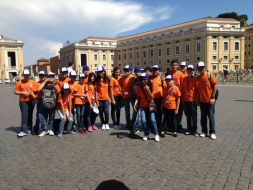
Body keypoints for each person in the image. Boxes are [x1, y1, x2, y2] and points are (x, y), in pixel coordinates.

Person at [134, 73, 159, 142]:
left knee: (153, 120)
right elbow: (137, 97)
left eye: (145, 79)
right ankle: (146, 134)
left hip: (150, 105)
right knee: (143, 121)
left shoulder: (151, 86)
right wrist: (135, 104)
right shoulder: (139, 87)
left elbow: (152, 97)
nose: (143, 81)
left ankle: (156, 134)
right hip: (142, 106)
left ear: (148, 79)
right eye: (142, 79)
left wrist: (148, 91)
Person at [196, 62, 217, 140]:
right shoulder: (198, 78)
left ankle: (212, 132)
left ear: (204, 68)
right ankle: (204, 131)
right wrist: (197, 99)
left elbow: (215, 85)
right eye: (199, 68)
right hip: (202, 101)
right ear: (197, 69)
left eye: (202, 67)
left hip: (210, 100)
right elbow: (198, 90)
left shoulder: (209, 75)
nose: (201, 69)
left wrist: (213, 97)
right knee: (203, 117)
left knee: (211, 117)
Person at [14, 69, 37, 137]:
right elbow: (15, 91)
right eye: (25, 75)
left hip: (31, 100)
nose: (26, 76)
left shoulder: (33, 82)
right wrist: (22, 93)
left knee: (30, 114)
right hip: (23, 100)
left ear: (29, 75)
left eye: (27, 75)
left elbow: (36, 90)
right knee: (24, 115)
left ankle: (29, 128)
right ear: (23, 75)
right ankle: (24, 130)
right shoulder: (19, 82)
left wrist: (33, 95)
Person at [164, 60, 185, 132]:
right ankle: (170, 126)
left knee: (178, 111)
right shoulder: (167, 74)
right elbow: (164, 84)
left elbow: (183, 86)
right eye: (173, 65)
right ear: (170, 66)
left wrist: (182, 98)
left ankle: (178, 124)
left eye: (176, 65)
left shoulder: (180, 74)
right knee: (169, 112)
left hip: (178, 95)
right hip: (170, 95)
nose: (174, 67)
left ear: (178, 66)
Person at [37, 72, 60, 137]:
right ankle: (45, 129)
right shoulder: (44, 84)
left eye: (52, 76)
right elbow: (38, 89)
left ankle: (50, 129)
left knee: (51, 117)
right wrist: (45, 81)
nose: (51, 78)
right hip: (43, 103)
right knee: (41, 116)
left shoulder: (56, 85)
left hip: (53, 104)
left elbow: (59, 95)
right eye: (49, 76)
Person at [118, 65, 137, 130]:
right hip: (125, 97)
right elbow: (119, 86)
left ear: (130, 71)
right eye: (125, 70)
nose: (126, 72)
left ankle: (132, 122)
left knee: (135, 110)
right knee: (127, 112)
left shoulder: (133, 78)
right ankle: (128, 124)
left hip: (132, 97)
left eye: (127, 70)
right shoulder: (122, 78)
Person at [182, 65, 198, 136]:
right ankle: (189, 129)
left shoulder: (195, 79)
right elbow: (183, 90)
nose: (189, 71)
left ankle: (194, 130)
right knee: (188, 116)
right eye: (188, 70)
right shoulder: (184, 79)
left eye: (191, 70)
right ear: (186, 71)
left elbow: (197, 90)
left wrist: (197, 100)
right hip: (186, 100)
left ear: (193, 71)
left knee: (194, 117)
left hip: (192, 101)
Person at [95, 66, 110, 130]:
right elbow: (96, 91)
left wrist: (110, 98)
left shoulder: (107, 79)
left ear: (104, 71)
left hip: (106, 98)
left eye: (101, 71)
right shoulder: (97, 81)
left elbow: (109, 90)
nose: (100, 73)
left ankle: (106, 123)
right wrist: (96, 100)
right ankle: (103, 123)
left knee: (106, 111)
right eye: (99, 72)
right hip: (100, 99)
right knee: (101, 112)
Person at [32, 71, 46, 135]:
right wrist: (35, 97)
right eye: (40, 75)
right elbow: (33, 92)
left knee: (45, 116)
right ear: (39, 76)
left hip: (46, 102)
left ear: (45, 76)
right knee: (38, 116)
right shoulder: (37, 83)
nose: (42, 77)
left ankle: (45, 128)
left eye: (43, 75)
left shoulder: (47, 83)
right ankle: (36, 128)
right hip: (39, 102)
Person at [150, 65, 163, 131]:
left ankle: (158, 126)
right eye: (153, 70)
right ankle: (151, 126)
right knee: (151, 112)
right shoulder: (149, 78)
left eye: (156, 70)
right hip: (151, 99)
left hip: (159, 99)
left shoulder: (161, 79)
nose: (155, 71)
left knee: (159, 113)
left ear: (159, 71)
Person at [130, 66, 142, 134]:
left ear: (140, 72)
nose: (137, 73)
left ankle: (137, 127)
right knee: (135, 113)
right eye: (136, 72)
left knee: (140, 114)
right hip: (135, 99)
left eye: (138, 72)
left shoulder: (142, 79)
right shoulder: (134, 80)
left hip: (141, 99)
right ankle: (132, 125)